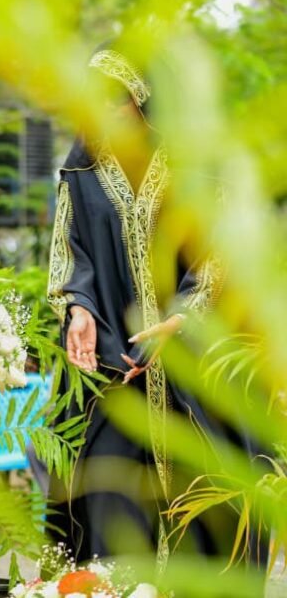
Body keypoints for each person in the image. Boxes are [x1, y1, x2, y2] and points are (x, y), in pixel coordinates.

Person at [46, 47, 265, 565]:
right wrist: (78, 310)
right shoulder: (81, 176)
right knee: (106, 502)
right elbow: (68, 258)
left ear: (145, 101)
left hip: (193, 363)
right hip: (112, 363)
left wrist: (184, 316)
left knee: (206, 501)